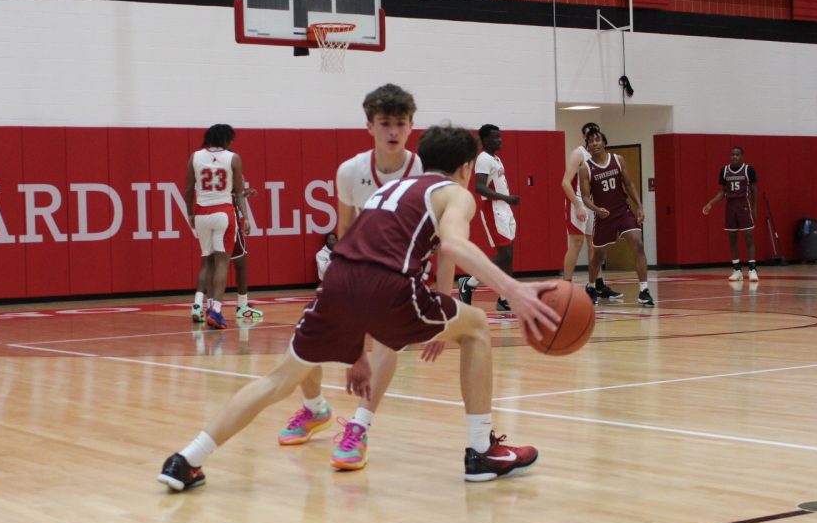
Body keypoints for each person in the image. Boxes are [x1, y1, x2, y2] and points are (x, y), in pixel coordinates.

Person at [158, 123, 560, 492]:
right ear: (469, 166)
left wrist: (355, 347)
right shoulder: (455, 194)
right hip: (388, 289)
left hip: (336, 286)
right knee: (476, 327)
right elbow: (453, 246)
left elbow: (353, 256)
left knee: (277, 380)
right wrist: (513, 289)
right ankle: (480, 450)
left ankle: (185, 459)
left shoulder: (389, 190)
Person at [277, 82, 423, 471]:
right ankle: (314, 409)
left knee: (389, 342)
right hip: (357, 270)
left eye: (401, 123)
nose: (393, 131)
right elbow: (345, 233)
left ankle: (359, 427)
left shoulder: (422, 170)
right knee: (306, 338)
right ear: (369, 126)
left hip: (403, 274)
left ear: (411, 127)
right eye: (385, 123)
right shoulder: (350, 171)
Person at [578, 126, 654, 307]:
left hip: (623, 210)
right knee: (598, 256)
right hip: (604, 216)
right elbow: (586, 198)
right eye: (591, 141)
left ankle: (644, 290)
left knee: (638, 244)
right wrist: (596, 209)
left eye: (598, 140)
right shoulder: (585, 168)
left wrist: (640, 206)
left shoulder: (618, 160)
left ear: (604, 142)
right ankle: (590, 287)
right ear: (587, 146)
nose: (595, 143)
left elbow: (629, 184)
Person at [185, 124, 249, 330]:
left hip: (202, 212)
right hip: (224, 212)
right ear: (226, 139)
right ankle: (216, 311)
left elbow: (187, 190)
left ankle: (199, 305)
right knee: (222, 262)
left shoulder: (194, 156)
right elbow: (238, 193)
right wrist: (246, 217)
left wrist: (190, 214)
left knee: (206, 261)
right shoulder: (233, 158)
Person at [457, 124, 519, 312]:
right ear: (484, 140)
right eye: (495, 137)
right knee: (504, 255)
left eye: (500, 137)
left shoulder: (496, 159)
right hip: (493, 208)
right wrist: (506, 198)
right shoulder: (483, 159)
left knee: (509, 257)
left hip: (504, 208)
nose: (499, 140)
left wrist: (507, 201)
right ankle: (468, 283)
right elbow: (479, 187)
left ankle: (504, 298)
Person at [561, 123, 620, 304]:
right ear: (584, 137)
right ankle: (566, 286)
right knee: (576, 244)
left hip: (594, 205)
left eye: (596, 136)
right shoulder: (578, 154)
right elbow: (564, 182)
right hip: (578, 203)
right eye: (589, 136)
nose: (593, 140)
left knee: (596, 245)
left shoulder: (601, 156)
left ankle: (596, 285)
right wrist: (578, 205)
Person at [702, 146, 759, 281]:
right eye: (732, 154)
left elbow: (754, 189)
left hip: (744, 205)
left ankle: (752, 269)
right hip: (730, 206)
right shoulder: (724, 170)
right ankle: (736, 269)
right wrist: (711, 203)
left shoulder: (748, 170)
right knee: (732, 239)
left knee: (749, 238)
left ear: (742, 156)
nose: (734, 157)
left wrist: (755, 207)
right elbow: (723, 191)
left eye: (737, 155)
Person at [228, 185, 265, 320]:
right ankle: (242, 306)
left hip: (206, 215)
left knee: (210, 264)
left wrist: (243, 194)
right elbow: (236, 195)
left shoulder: (200, 164)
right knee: (241, 262)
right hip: (227, 217)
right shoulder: (232, 165)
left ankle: (208, 306)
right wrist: (246, 218)